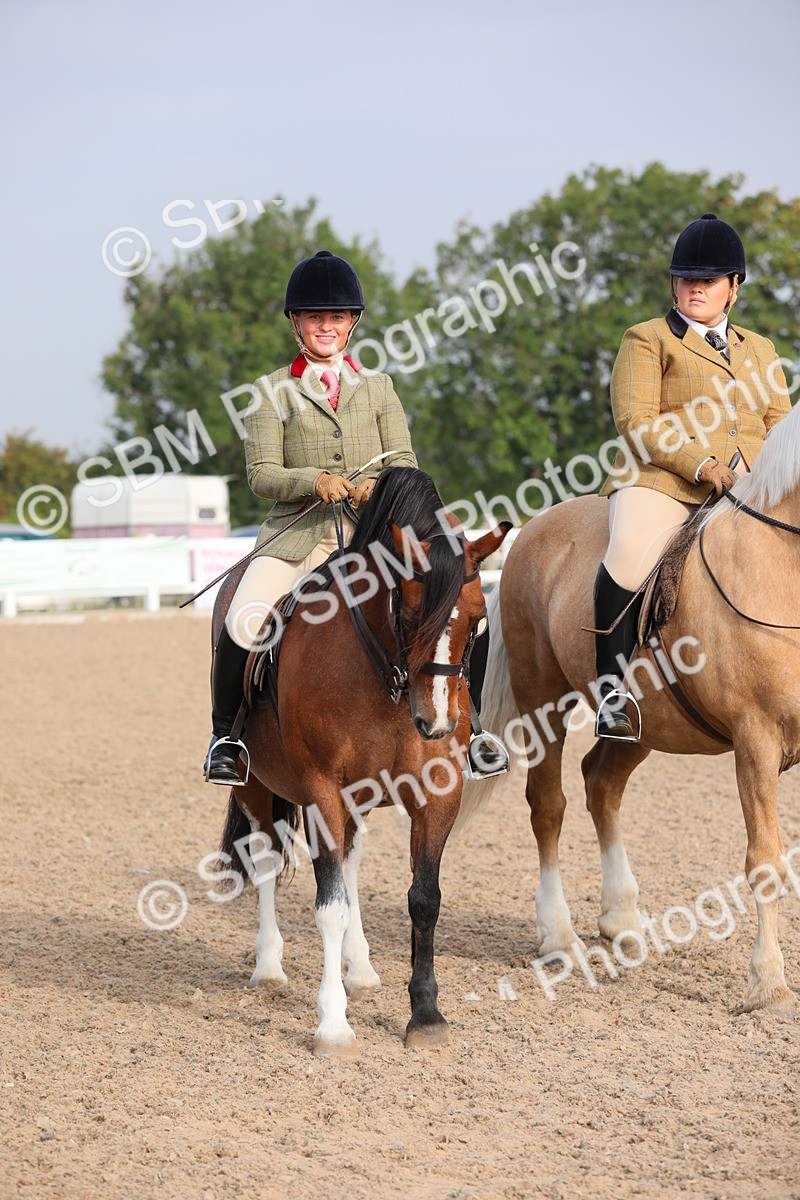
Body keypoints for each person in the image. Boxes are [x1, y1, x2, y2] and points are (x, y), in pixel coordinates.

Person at [205, 249, 508, 782]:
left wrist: (379, 487)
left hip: (378, 538)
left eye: (337, 317)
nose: (326, 326)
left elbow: (405, 463)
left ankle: (476, 728)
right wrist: (312, 481)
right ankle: (226, 738)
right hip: (300, 538)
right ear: (296, 323)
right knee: (243, 619)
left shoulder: (380, 388)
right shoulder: (272, 391)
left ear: (352, 324)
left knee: (459, 609)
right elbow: (260, 474)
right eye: (315, 317)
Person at [593, 213, 791, 740]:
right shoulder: (648, 338)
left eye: (707, 280)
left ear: (733, 289)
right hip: (664, 480)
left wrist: (764, 474)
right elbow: (635, 421)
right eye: (686, 278)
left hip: (749, 487)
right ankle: (612, 692)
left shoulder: (762, 350)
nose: (695, 287)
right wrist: (702, 465)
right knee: (630, 554)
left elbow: (778, 424)